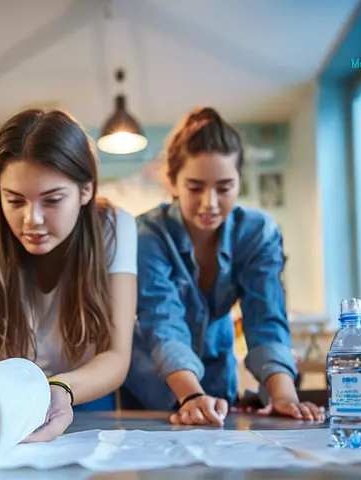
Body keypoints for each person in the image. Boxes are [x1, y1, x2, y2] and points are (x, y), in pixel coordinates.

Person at [123, 107, 324, 425]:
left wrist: (284, 396)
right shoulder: (147, 235)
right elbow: (163, 321)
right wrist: (190, 396)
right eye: (195, 187)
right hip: (152, 382)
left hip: (216, 377)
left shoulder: (257, 233)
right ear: (173, 181)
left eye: (224, 187)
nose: (210, 203)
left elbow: (266, 318)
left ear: (239, 181)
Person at [0, 109, 138, 442]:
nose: (32, 219)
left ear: (85, 190)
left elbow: (116, 354)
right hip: (8, 400)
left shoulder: (115, 227)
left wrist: (61, 389)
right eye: (15, 200)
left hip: (85, 391)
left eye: (52, 200)